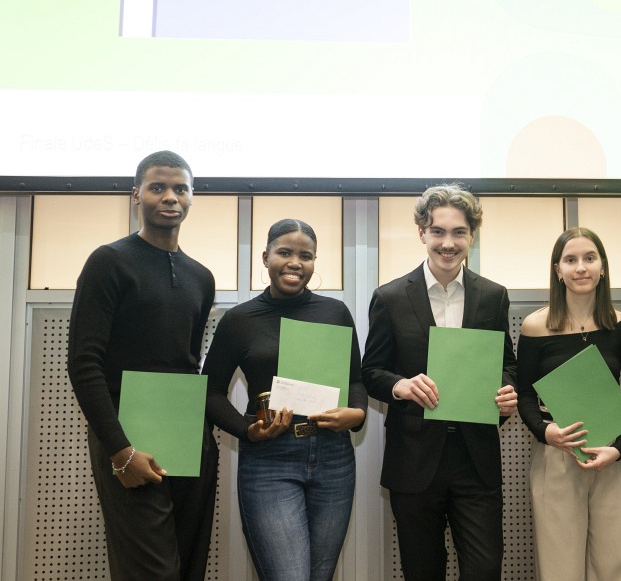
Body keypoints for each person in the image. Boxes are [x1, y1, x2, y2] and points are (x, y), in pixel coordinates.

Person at [67, 150, 218, 581]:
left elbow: (189, 364)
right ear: (136, 194)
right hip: (127, 438)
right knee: (150, 572)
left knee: (189, 567)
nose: (170, 197)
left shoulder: (201, 277)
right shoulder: (108, 261)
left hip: (188, 437)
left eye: (180, 189)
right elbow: (83, 362)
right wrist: (120, 450)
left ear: (191, 197)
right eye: (158, 187)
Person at [361, 184, 518, 580]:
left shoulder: (493, 296)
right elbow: (373, 372)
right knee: (422, 570)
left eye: (459, 232)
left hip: (475, 458)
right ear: (422, 233)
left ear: (472, 235)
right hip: (413, 458)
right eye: (438, 232)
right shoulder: (390, 296)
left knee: (484, 570)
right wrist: (400, 386)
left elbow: (508, 365)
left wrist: (505, 390)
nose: (448, 243)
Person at [201, 219, 367, 581]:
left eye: (305, 256)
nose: (295, 262)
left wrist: (357, 413)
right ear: (265, 257)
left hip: (334, 457)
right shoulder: (240, 319)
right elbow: (210, 392)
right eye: (285, 252)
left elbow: (356, 380)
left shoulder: (334, 312)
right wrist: (249, 430)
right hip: (269, 461)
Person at [517, 228, 621, 581]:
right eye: (570, 260)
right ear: (557, 270)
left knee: (616, 566)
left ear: (602, 267)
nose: (580, 268)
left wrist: (617, 450)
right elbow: (525, 396)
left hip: (613, 455)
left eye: (589, 258)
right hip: (556, 456)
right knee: (559, 568)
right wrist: (547, 432)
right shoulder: (534, 327)